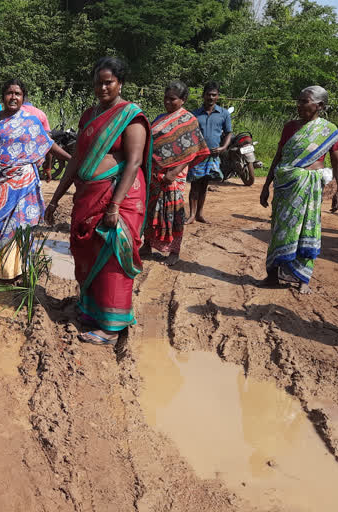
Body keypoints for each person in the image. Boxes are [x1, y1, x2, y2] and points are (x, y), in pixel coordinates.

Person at [45, 57, 151, 345]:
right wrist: (55, 199)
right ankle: (93, 311)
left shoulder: (131, 117)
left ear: (120, 83)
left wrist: (115, 205)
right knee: (88, 252)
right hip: (88, 195)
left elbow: (133, 162)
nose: (102, 87)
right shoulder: (89, 115)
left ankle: (112, 326)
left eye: (108, 82)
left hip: (119, 196)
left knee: (113, 256)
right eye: (98, 83)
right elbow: (77, 159)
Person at [0, 78, 70, 277]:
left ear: (23, 97)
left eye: (17, 94)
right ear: (3, 96)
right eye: (10, 93)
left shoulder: (31, 120)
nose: (13, 97)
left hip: (22, 184)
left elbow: (48, 143)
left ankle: (13, 269)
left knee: (18, 225)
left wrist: (71, 159)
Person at [260, 85, 338, 294]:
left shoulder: (328, 131)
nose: (299, 105)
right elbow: (278, 157)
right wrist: (265, 185)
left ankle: (302, 278)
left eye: (304, 101)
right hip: (285, 186)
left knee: (307, 228)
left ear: (319, 105)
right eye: (299, 100)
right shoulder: (289, 127)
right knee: (280, 229)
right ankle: (272, 275)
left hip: (310, 188)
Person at [141, 81, 210, 266]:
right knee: (151, 209)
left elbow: (192, 151)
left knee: (173, 211)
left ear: (183, 100)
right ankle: (147, 244)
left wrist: (173, 172)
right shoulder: (159, 118)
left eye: (172, 99)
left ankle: (174, 251)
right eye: (166, 98)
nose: (168, 102)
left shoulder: (189, 120)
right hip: (154, 174)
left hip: (174, 175)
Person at [186, 81, 232, 224]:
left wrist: (223, 147)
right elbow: (188, 134)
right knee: (194, 185)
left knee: (204, 185)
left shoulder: (223, 114)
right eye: (208, 95)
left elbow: (229, 133)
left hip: (213, 155)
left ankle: (200, 214)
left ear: (218, 97)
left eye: (214, 95)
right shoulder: (194, 114)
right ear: (203, 95)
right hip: (198, 155)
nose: (211, 97)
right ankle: (191, 215)